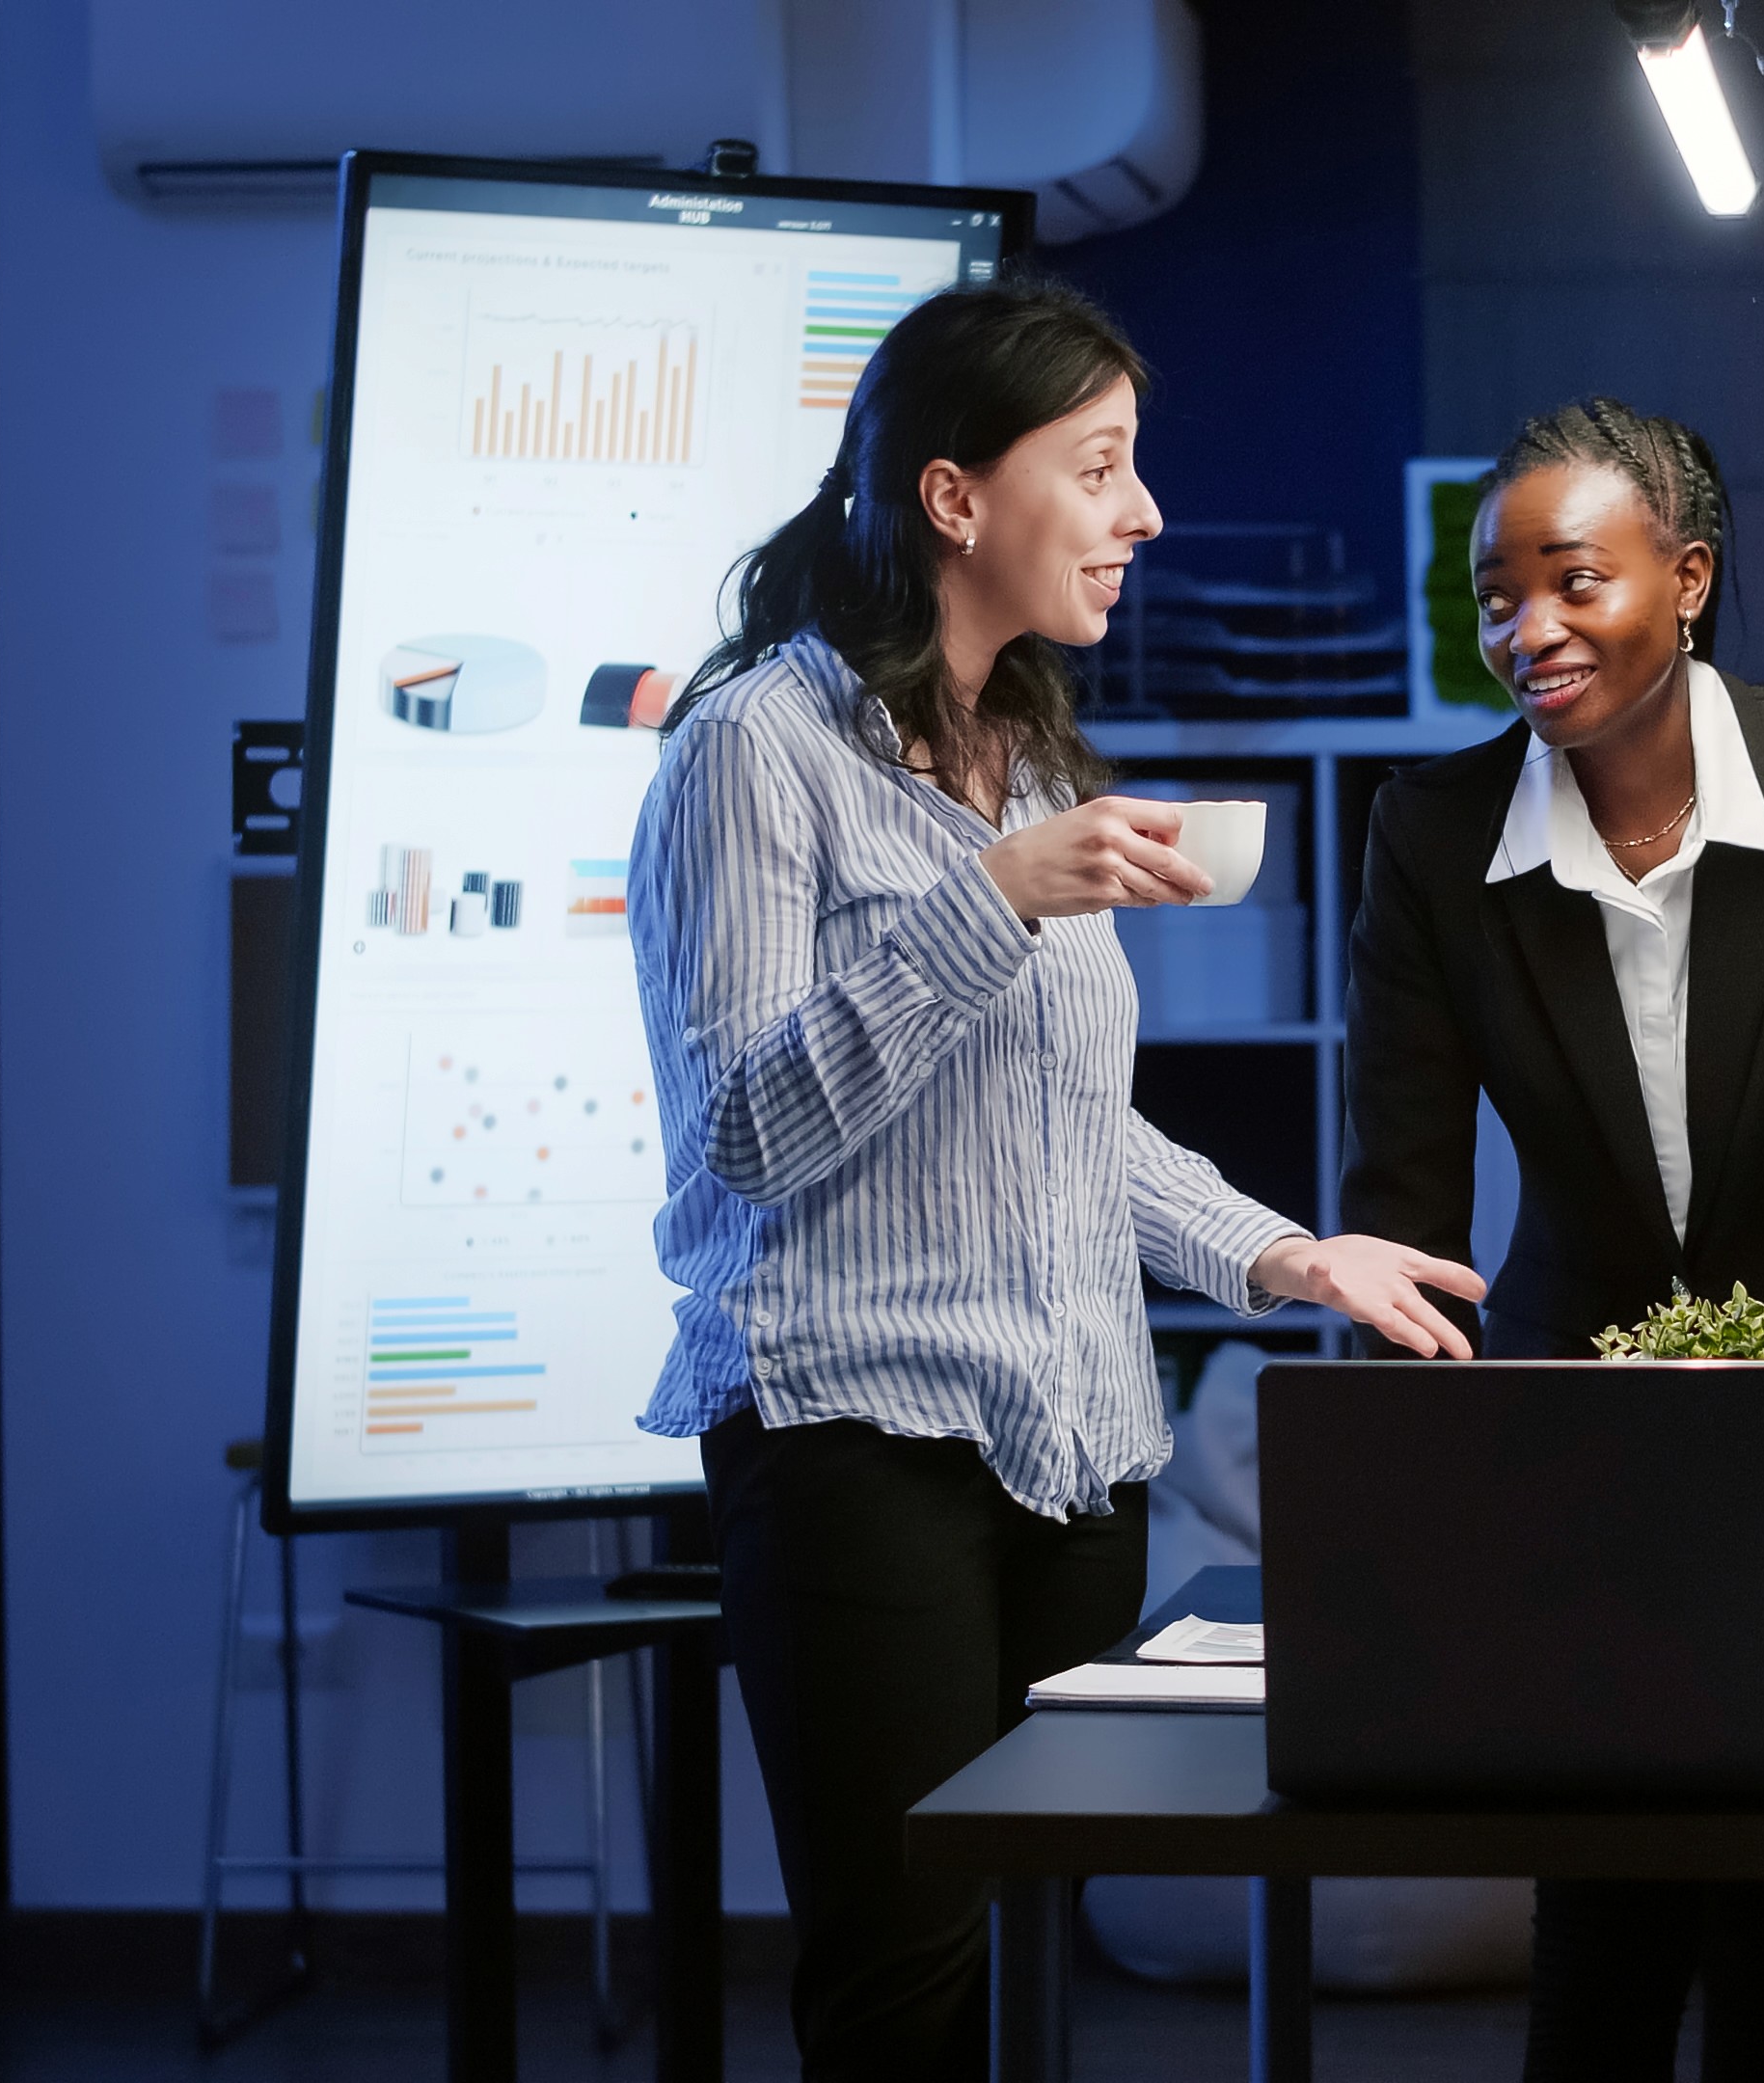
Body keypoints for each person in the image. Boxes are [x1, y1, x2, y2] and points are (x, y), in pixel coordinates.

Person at [627, 278, 1484, 2083]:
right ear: (953, 497)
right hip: (859, 1442)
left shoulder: (1033, 756)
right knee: (905, 1985)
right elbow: (744, 1132)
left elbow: (1068, 1128)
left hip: (1072, 1444)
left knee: (1028, 1973)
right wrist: (994, 898)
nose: (1145, 513)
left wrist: (1289, 1256)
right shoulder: (752, 751)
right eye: (1098, 469)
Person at [1340, 397, 1764, 2082]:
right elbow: (1399, 1207)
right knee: (1599, 1931)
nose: (1527, 631)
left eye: (1575, 582)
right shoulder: (1431, 834)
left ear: (1686, 579)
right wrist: (1395, 1529)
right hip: (1568, 1437)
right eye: (1496, 598)